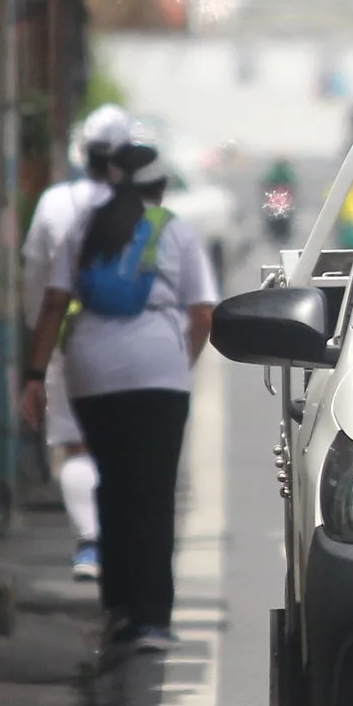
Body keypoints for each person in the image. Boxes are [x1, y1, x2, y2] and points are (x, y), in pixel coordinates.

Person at [19, 143, 218, 653]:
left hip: (92, 371)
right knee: (152, 494)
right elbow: (203, 314)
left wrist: (34, 375)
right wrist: (181, 361)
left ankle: (119, 610)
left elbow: (54, 304)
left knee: (112, 485)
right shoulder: (176, 231)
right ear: (161, 186)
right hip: (158, 373)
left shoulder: (84, 227)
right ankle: (151, 620)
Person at [21, 104, 135, 581]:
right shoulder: (144, 208)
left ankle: (90, 544)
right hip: (132, 343)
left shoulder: (55, 203)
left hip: (71, 339)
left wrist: (38, 345)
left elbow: (37, 281)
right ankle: (124, 540)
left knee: (76, 445)